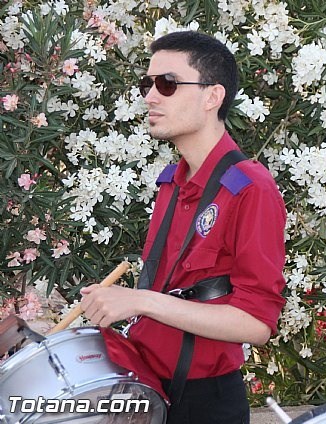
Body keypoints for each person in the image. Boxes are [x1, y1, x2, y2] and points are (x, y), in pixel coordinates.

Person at [80, 31, 286, 424]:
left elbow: (257, 324)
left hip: (203, 404)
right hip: (149, 388)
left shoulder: (251, 188)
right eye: (147, 84)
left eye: (167, 84)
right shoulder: (173, 181)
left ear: (213, 97)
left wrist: (140, 301)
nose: (150, 97)